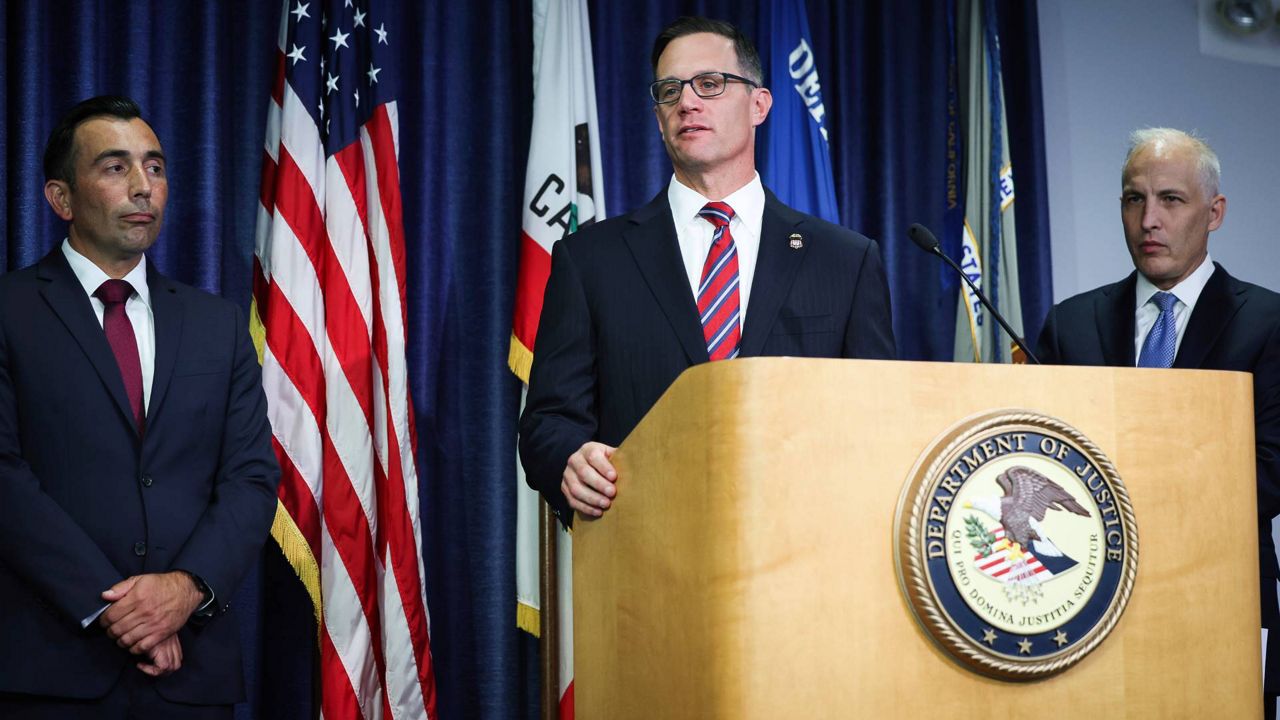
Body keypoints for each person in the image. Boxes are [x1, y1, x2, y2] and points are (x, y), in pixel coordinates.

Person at [519, 17, 896, 526]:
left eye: (710, 85)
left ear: (759, 105)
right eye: (669, 90)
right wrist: (569, 459)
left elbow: (875, 422)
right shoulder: (590, 260)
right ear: (658, 118)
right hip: (643, 555)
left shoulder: (845, 261)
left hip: (802, 560)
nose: (687, 102)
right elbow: (548, 422)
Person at [0, 95, 279, 718]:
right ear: (61, 199)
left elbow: (250, 478)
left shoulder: (219, 324)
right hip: (49, 669)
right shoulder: (10, 310)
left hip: (189, 672)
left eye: (154, 167)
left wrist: (186, 591)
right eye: (115, 166)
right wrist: (114, 609)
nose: (142, 187)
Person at [1036, 127, 1280, 717]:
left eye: (1171, 199)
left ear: (1214, 212)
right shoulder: (1071, 324)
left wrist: (1130, 503)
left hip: (1219, 597)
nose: (1149, 219)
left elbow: (1270, 470)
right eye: (1133, 199)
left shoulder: (1269, 323)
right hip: (1081, 605)